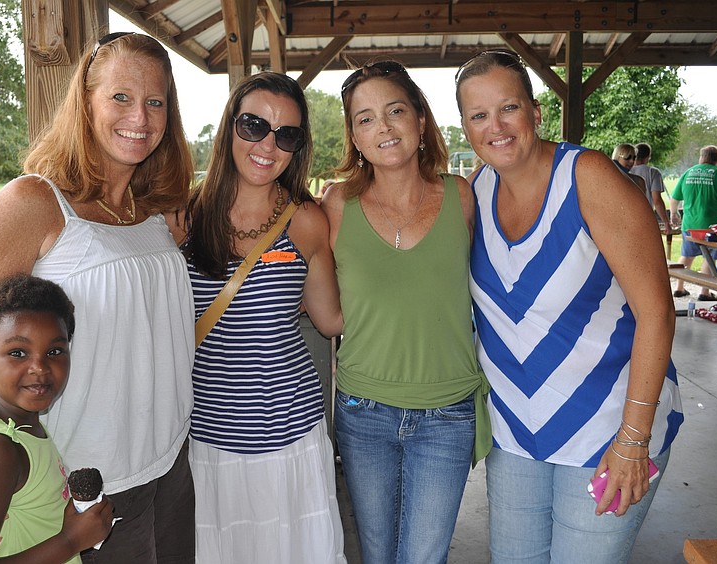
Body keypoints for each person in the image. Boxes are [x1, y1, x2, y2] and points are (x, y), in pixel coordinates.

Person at [0, 32, 197, 563]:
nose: (139, 117)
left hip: (170, 466)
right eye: (120, 97)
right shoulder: (34, 203)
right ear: (85, 102)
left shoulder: (154, 211)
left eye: (155, 101)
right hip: (84, 491)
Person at [456, 50, 683, 563]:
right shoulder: (475, 192)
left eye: (509, 108)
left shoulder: (588, 177)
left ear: (535, 112)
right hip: (515, 433)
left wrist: (633, 439)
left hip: (608, 428)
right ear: (466, 128)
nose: (496, 126)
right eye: (479, 115)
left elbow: (657, 312)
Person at [168, 72, 346, 563]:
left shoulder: (306, 221)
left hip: (293, 436)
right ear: (229, 126)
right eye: (254, 126)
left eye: (287, 135)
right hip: (209, 438)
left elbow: (331, 320)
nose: (268, 145)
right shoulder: (180, 219)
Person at [320, 60, 491, 564]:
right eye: (365, 118)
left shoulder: (462, 196)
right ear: (355, 137)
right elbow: (328, 311)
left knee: (423, 557)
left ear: (420, 119)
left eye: (395, 111)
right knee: (376, 553)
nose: (384, 127)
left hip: (448, 412)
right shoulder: (336, 204)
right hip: (363, 411)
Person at [0, 274, 114, 563]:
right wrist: (71, 540)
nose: (39, 368)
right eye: (18, 353)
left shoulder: (22, 426)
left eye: (54, 351)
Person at [670, 145, 717, 300]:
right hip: (712, 226)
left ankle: (679, 288)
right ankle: (704, 292)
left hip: (690, 224)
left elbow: (674, 198)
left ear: (702, 157)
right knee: (709, 258)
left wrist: (674, 213)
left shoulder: (689, 172)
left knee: (686, 255)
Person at [630, 143, 670, 226]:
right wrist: (666, 222)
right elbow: (657, 200)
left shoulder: (625, 171)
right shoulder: (653, 172)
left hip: (628, 217)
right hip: (646, 218)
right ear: (648, 157)